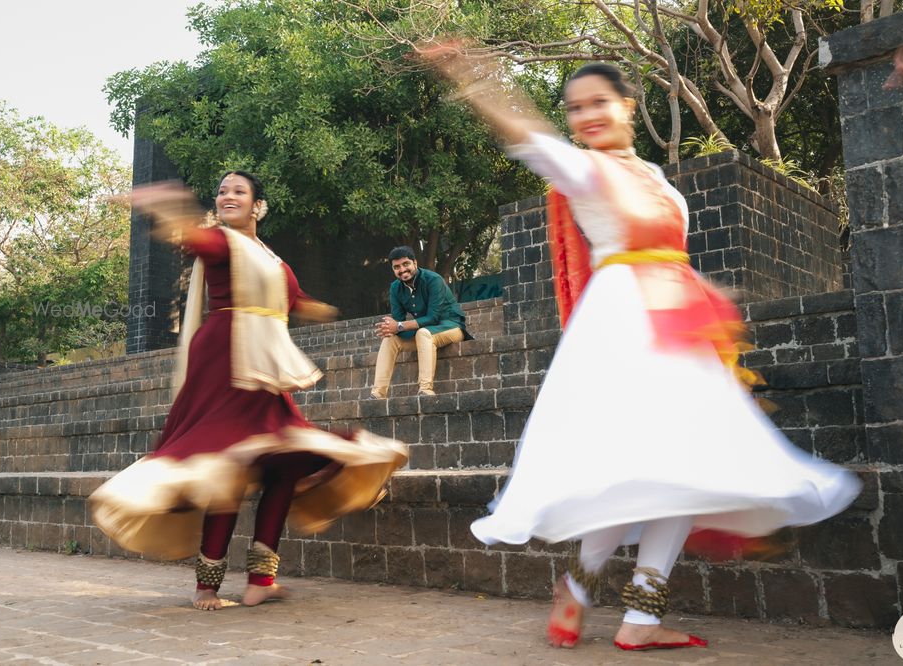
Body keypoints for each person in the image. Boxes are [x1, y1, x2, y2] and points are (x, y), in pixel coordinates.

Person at [421, 49, 860, 652]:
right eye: (575, 108)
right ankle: (610, 607)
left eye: (599, 102)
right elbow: (524, 132)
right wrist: (469, 76)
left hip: (679, 321)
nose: (586, 116)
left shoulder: (655, 176)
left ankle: (603, 606)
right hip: (624, 325)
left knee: (678, 463)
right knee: (649, 461)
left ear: (628, 104)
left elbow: (672, 251)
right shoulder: (582, 170)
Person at [90, 172, 408, 610]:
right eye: (221, 191)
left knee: (283, 463)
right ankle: (208, 586)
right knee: (227, 465)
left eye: (238, 191)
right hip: (226, 362)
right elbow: (191, 237)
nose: (226, 196)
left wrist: (316, 309)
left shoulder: (271, 258)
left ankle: (262, 579)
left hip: (263, 370)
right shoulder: (222, 242)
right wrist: (163, 205)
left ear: (259, 205)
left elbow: (293, 297)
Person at [370, 245, 470, 398]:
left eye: (406, 264)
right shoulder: (395, 288)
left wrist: (399, 326)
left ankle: (425, 389)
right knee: (390, 339)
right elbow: (398, 321)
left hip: (451, 326)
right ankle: (378, 393)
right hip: (425, 332)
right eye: (396, 267)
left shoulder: (433, 280)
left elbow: (433, 317)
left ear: (415, 263)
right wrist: (390, 328)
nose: (402, 270)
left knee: (423, 333)